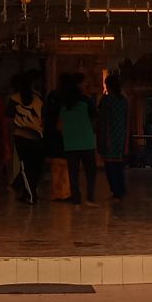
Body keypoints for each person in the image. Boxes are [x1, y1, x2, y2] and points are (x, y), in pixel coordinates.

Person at [55, 74, 99, 207]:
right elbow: (95, 117)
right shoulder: (86, 101)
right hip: (86, 141)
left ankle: (76, 200)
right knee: (90, 172)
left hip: (70, 143)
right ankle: (89, 198)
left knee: (73, 173)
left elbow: (59, 125)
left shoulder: (63, 104)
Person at [6, 72, 46, 204]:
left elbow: (9, 119)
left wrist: (13, 132)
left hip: (20, 136)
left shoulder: (14, 99)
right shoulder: (38, 99)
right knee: (34, 166)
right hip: (36, 137)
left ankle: (30, 194)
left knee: (25, 166)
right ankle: (30, 192)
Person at [98, 74, 131, 202]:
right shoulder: (124, 100)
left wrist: (104, 139)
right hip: (121, 136)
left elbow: (104, 120)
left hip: (109, 136)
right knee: (119, 166)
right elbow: (127, 120)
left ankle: (116, 191)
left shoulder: (107, 100)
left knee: (110, 167)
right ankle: (121, 190)